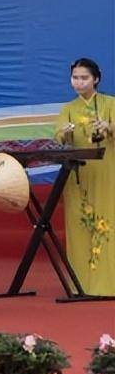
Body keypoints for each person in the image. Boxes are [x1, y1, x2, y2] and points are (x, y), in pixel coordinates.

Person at [55, 57, 113, 296]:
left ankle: (108, 285)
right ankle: (81, 285)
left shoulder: (110, 104)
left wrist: (108, 127)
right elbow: (59, 136)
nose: (78, 82)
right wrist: (66, 133)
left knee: (107, 223)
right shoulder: (68, 109)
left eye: (84, 78)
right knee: (81, 225)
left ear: (96, 79)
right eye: (75, 78)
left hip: (106, 172)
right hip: (79, 174)